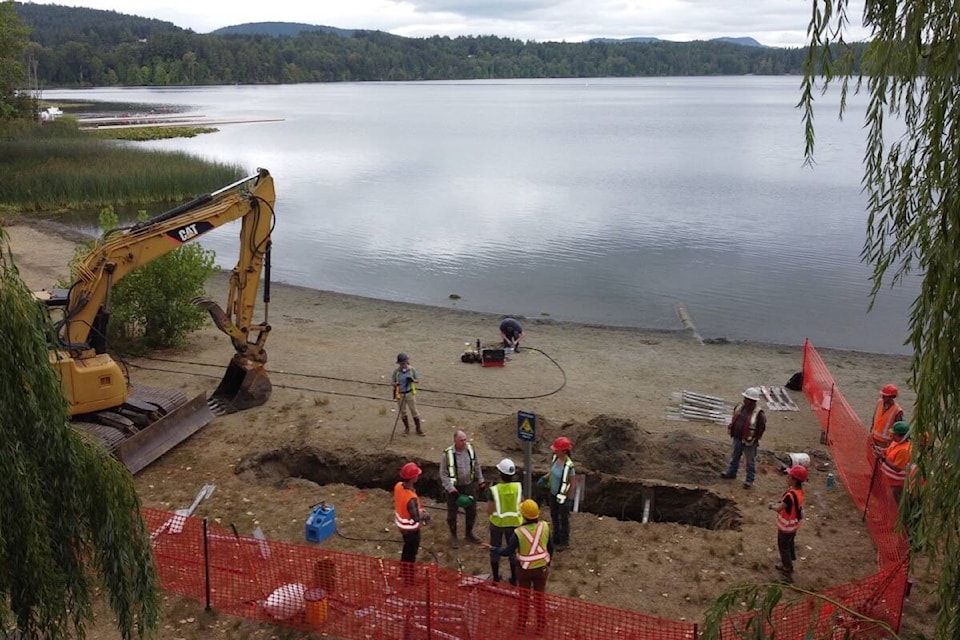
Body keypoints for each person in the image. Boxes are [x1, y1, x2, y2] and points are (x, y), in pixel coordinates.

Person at [484, 499, 553, 635]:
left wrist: (492, 548)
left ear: (523, 515)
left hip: (524, 570)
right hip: (541, 570)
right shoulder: (545, 527)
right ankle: (540, 627)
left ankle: (521, 626)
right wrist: (547, 563)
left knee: (524, 599)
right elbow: (551, 547)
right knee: (539, 598)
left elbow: (507, 552)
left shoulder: (518, 532)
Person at [441, 430, 485, 547]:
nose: (464, 442)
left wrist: (480, 480)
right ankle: (454, 535)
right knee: (452, 514)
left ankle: (469, 533)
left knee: (472, 511)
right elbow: (443, 474)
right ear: (455, 440)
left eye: (465, 439)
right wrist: (450, 488)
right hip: (454, 488)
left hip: (469, 485)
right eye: (461, 440)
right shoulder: (447, 454)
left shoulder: (470, 449)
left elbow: (476, 465)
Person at [720, 387, 767, 489]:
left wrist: (755, 439)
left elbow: (762, 428)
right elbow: (734, 418)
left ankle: (749, 480)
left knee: (750, 461)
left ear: (752, 401)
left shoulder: (759, 414)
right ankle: (731, 473)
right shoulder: (739, 407)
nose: (744, 400)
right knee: (735, 456)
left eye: (746, 398)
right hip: (737, 437)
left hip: (750, 441)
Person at [487, 457, 522, 585]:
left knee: (494, 549)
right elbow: (521, 503)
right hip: (514, 524)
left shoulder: (494, 490)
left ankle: (496, 578)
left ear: (500, 473)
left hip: (497, 524)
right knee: (512, 551)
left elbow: (490, 510)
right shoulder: (518, 487)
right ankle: (514, 579)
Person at [768, 464, 806, 584]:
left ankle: (787, 571)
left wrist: (771, 506)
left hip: (786, 527)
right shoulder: (799, 492)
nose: (787, 477)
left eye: (789, 476)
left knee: (783, 547)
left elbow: (780, 508)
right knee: (789, 544)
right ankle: (788, 561)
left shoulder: (790, 495)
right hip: (793, 525)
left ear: (794, 479)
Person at [394, 462, 430, 583]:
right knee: (411, 553)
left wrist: (418, 508)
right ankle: (409, 579)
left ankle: (403, 571)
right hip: (411, 529)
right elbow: (416, 517)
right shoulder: (411, 498)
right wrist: (425, 515)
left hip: (401, 526)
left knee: (406, 550)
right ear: (413, 478)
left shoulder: (398, 486)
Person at [543, 436, 575, 549]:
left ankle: (564, 541)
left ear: (564, 451)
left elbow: (572, 483)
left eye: (557, 449)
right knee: (554, 516)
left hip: (563, 497)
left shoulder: (569, 466)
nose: (554, 450)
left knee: (563, 519)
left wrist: (569, 499)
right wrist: (545, 478)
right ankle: (555, 538)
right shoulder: (555, 458)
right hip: (553, 493)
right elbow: (552, 472)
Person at [878, 421, 913, 504]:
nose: (892, 435)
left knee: (894, 502)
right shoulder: (896, 442)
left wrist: (883, 458)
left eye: (894, 434)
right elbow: (889, 451)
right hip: (888, 480)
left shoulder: (904, 450)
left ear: (901, 436)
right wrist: (881, 450)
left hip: (896, 483)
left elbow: (897, 468)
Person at [391, 352, 424, 436]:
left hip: (409, 393)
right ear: (399, 364)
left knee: (414, 411)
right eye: (401, 364)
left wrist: (412, 380)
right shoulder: (396, 372)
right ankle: (406, 429)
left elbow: (418, 380)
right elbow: (392, 382)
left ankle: (418, 429)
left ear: (407, 362)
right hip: (400, 395)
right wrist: (396, 383)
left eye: (404, 363)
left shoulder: (412, 370)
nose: (403, 365)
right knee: (403, 412)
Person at [870, 384, 904, 455]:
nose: (883, 397)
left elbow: (899, 429)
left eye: (885, 396)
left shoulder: (897, 411)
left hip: (885, 443)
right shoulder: (879, 402)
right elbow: (874, 418)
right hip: (873, 439)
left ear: (892, 397)